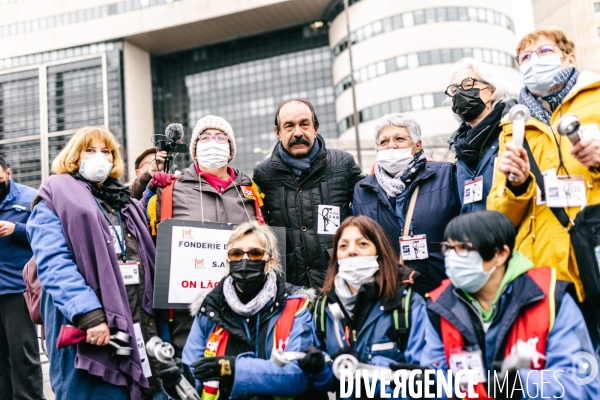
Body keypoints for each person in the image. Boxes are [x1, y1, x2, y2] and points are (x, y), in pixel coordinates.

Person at [487, 28, 600, 353]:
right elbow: (498, 215)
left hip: (595, 251)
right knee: (570, 371)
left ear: (570, 58)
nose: (534, 61)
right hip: (547, 273)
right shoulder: (512, 127)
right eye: (525, 57)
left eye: (544, 52)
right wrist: (517, 184)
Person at [26, 127, 161, 399]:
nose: (100, 157)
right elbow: (54, 264)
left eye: (106, 151)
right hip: (88, 324)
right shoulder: (53, 198)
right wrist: (89, 315)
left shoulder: (122, 202)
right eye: (90, 150)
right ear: (74, 156)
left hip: (135, 316)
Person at [421, 211, 600, 399]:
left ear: (500, 254)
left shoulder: (551, 299)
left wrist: (521, 385)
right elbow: (438, 374)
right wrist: (424, 385)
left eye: (463, 248)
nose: (452, 257)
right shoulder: (440, 305)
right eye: (448, 248)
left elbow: (584, 383)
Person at [157, 221, 331, 399]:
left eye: (255, 253)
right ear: (228, 260)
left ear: (270, 262)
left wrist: (233, 368)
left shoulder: (296, 307)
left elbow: (297, 377)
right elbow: (194, 374)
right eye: (237, 253)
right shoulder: (209, 309)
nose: (245, 259)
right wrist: (178, 380)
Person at [153, 115, 260, 357]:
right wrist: (146, 185)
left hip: (244, 307)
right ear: (195, 148)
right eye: (205, 137)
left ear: (230, 149)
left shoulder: (251, 192)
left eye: (220, 137)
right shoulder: (172, 189)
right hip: (190, 315)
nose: (213, 142)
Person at [307, 215, 426, 397]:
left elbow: (426, 383)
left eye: (362, 244)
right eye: (343, 246)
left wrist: (363, 370)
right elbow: (324, 384)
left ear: (379, 251)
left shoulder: (407, 304)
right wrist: (317, 370)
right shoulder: (324, 309)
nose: (351, 251)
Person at [253, 98, 364, 290]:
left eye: (304, 124)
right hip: (289, 286)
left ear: (316, 128)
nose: (298, 132)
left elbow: (368, 206)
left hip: (338, 281)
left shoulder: (343, 164)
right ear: (278, 132)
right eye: (289, 126)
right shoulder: (263, 174)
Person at [352, 113, 460, 295]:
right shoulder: (362, 190)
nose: (391, 145)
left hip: (442, 289)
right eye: (384, 142)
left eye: (400, 139)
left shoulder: (446, 175)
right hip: (388, 292)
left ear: (417, 145)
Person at [446, 58, 516, 214]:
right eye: (454, 89)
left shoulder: (515, 131)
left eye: (468, 84)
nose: (460, 93)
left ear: (492, 89)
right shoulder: (460, 149)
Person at [0, 155, 44, 399]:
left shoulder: (30, 198)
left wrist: (15, 229)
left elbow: (47, 234)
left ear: (8, 172)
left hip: (18, 290)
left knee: (22, 355)